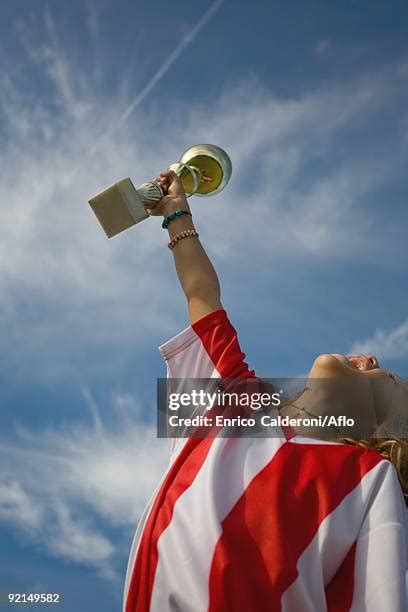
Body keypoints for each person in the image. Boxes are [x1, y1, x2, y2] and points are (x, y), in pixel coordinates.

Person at [123, 170, 407, 612]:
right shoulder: (237, 398)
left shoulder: (369, 478)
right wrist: (176, 212)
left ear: (389, 431)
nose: (370, 357)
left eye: (387, 376)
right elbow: (202, 295)